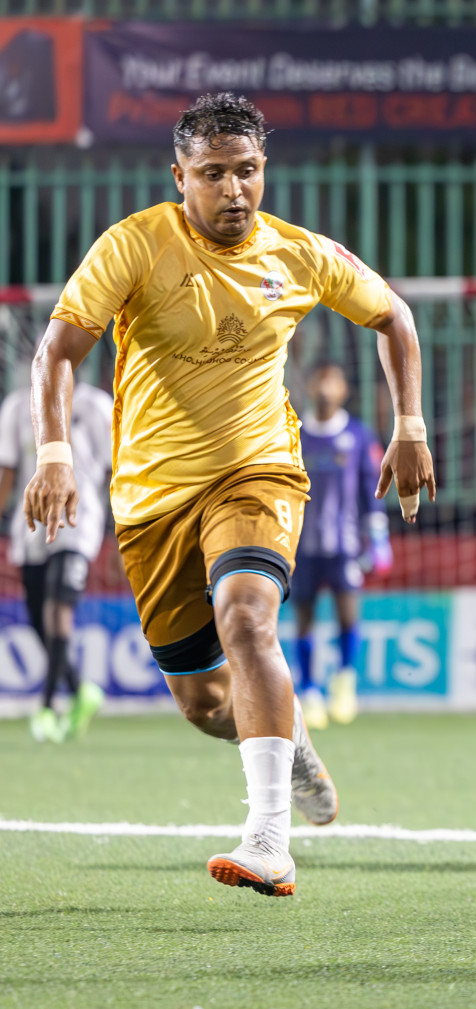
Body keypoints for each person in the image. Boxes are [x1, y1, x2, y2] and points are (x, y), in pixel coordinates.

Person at [26, 93, 435, 897]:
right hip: (149, 500)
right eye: (212, 174)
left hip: (258, 472)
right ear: (179, 176)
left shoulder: (298, 254)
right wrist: (53, 454)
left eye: (246, 171)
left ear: (263, 171)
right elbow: (57, 349)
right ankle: (297, 745)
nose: (233, 190)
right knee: (204, 704)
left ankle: (268, 841)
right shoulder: (134, 246)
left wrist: (410, 424)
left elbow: (394, 318)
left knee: (247, 617)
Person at [0, 380, 111, 742]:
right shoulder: (17, 406)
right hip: (29, 523)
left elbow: (115, 468)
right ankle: (80, 690)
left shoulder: (94, 406)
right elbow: (8, 472)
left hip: (78, 520)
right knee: (37, 616)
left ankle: (46, 708)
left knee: (57, 606)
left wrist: (122, 527)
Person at [292, 359, 392, 731]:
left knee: (347, 613)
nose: (325, 388)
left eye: (332, 381)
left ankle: (345, 681)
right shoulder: (295, 433)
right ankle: (310, 690)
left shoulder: (358, 435)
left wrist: (377, 534)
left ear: (344, 390)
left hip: (345, 544)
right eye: (319, 380)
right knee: (305, 618)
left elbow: (370, 487)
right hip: (302, 545)